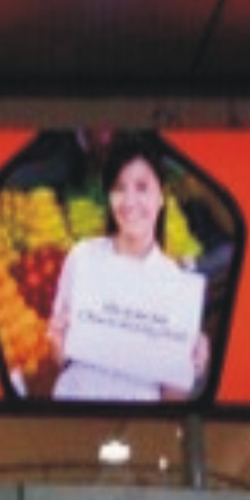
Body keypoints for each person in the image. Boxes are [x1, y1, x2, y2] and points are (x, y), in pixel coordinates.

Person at [47, 135, 209, 402]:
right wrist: (57, 342)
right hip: (74, 406)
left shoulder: (175, 285)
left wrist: (190, 367)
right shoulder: (83, 257)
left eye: (142, 187)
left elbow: (172, 398)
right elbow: (61, 360)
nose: (129, 201)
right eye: (119, 188)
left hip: (136, 419)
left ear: (161, 196)